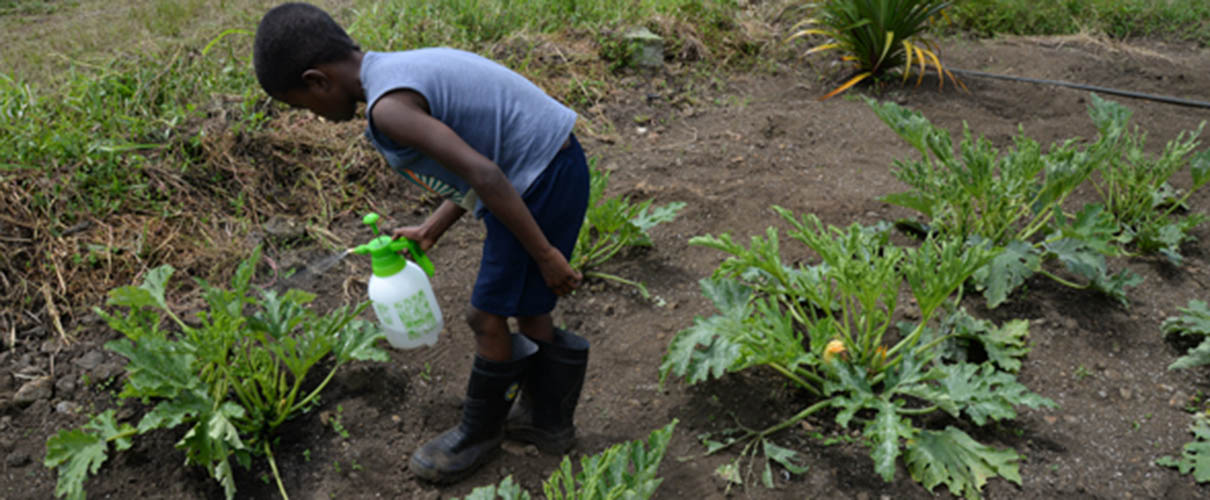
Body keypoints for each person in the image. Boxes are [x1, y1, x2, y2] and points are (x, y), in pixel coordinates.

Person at [253, 2, 591, 484]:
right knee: (529, 305)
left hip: (535, 181)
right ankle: (547, 422)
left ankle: (481, 432)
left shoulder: (388, 107)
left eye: (303, 107)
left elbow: (485, 172)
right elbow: (480, 158)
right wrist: (433, 227)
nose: (314, 116)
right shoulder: (395, 69)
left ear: (317, 80)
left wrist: (546, 254)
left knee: (486, 316)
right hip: (548, 166)